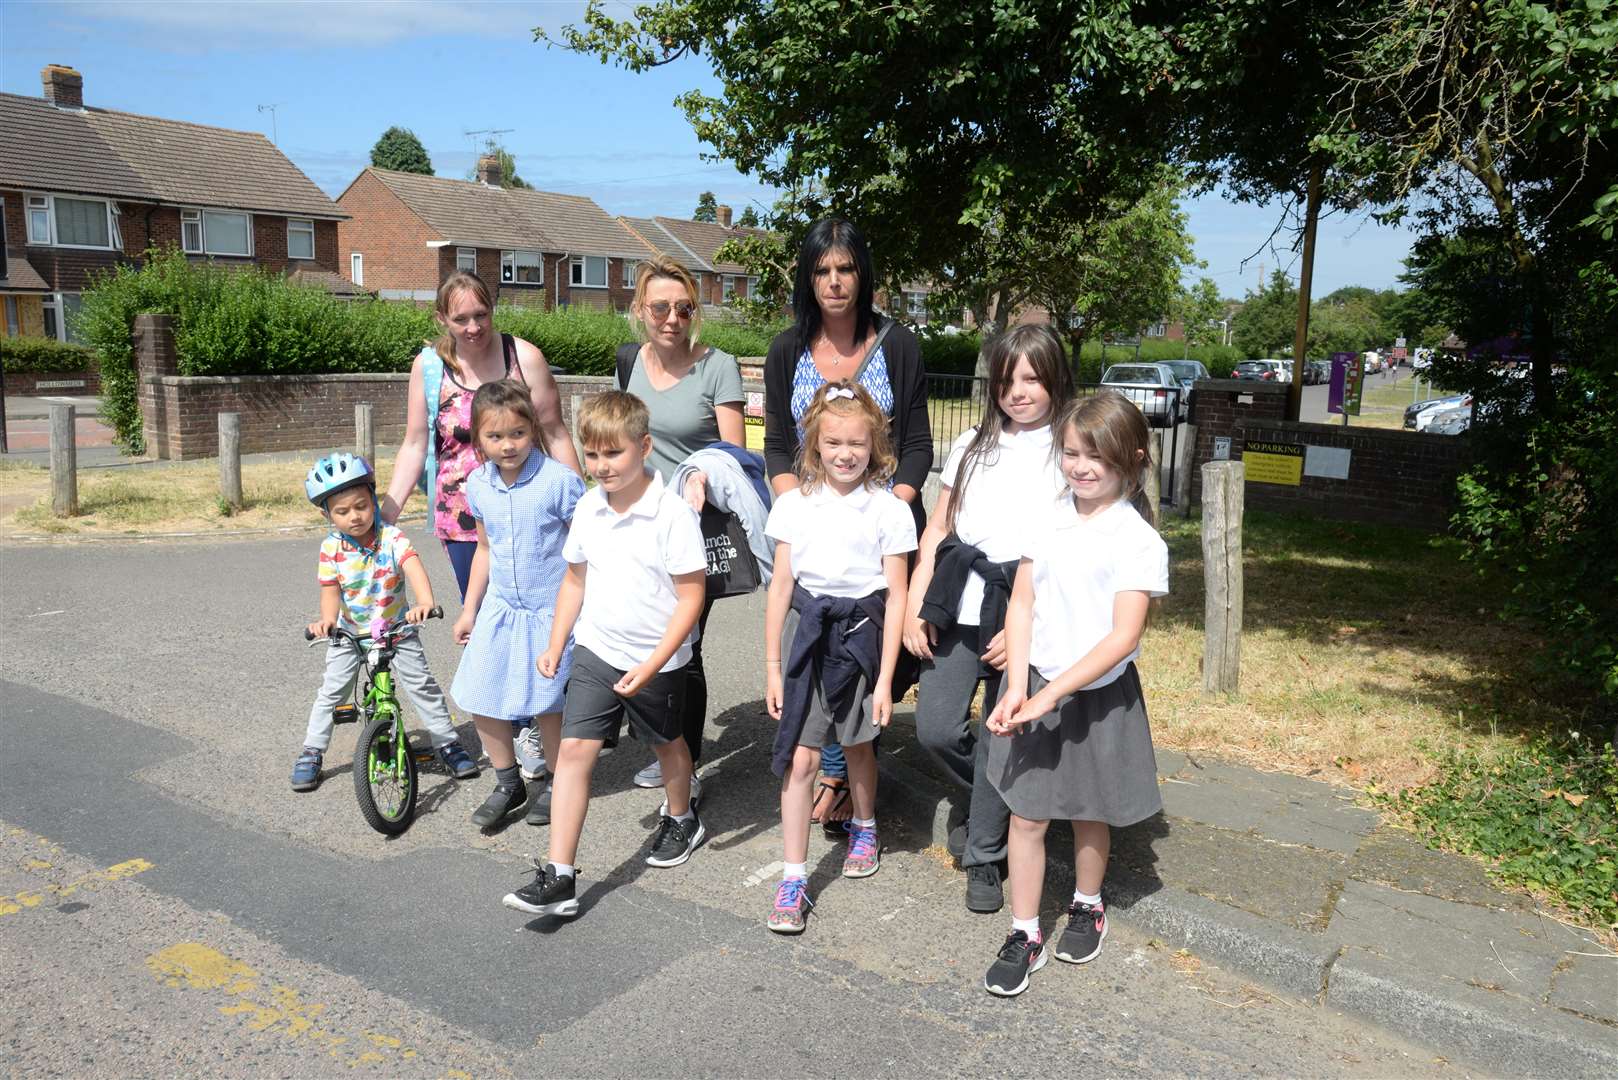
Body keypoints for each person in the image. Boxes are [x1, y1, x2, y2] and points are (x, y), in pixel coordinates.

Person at [979, 392, 1169, 997]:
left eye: (1097, 456)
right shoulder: (1049, 516)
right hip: (1035, 685)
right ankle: (1024, 931)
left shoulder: (1137, 539)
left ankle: (1088, 905)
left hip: (1095, 695)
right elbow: (1023, 603)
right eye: (1070, 453)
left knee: (1090, 810)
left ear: (1132, 458)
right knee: (1027, 814)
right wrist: (1015, 689)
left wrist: (1051, 694)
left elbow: (1124, 636)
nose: (1081, 467)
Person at [501, 391, 708, 920]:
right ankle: (560, 877)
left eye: (612, 454)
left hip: (657, 659)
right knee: (573, 752)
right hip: (597, 649)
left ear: (644, 447)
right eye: (591, 456)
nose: (601, 467)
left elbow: (691, 597)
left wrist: (656, 661)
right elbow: (574, 580)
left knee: (667, 748)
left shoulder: (673, 514)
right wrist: (556, 643)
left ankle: (682, 816)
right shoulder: (589, 507)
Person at [762, 218, 932, 829]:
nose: (834, 282)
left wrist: (882, 508)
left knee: (874, 655)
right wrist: (802, 505)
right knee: (819, 647)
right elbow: (778, 446)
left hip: (880, 533)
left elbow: (917, 444)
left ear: (863, 274)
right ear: (808, 279)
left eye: (845, 269)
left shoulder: (898, 344)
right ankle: (832, 767)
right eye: (822, 271)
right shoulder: (787, 349)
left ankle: (843, 765)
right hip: (813, 529)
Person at [380, 271, 581, 786]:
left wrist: (585, 512)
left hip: (534, 514)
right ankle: (513, 737)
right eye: (461, 318)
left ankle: (538, 723)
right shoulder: (429, 368)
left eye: (481, 315)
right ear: (442, 319)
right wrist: (387, 512)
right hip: (466, 519)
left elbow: (555, 432)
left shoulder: (524, 356)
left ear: (493, 310)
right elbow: (414, 444)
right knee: (490, 630)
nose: (473, 327)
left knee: (539, 621)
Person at [904, 325, 1073, 916]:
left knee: (1004, 735)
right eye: (1006, 379)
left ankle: (982, 855)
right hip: (960, 602)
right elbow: (939, 527)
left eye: (1031, 378)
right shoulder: (973, 443)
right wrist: (916, 601)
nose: (1018, 391)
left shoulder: (1068, 446)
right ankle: (994, 802)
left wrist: (1027, 628)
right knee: (936, 728)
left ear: (1055, 378)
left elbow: (1070, 550)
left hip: (1023, 608)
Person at [762, 382, 916, 933]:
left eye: (857, 443)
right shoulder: (792, 506)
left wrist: (885, 682)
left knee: (856, 746)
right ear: (815, 445)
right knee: (801, 760)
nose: (845, 453)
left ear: (874, 445)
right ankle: (794, 877)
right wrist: (773, 667)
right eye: (834, 443)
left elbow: (896, 596)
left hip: (860, 639)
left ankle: (866, 824)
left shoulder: (890, 510)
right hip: (806, 638)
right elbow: (780, 588)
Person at [615, 255, 746, 797]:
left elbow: (736, 455)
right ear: (641, 309)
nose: (673, 317)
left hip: (693, 527)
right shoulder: (628, 362)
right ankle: (664, 744)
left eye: (684, 308)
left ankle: (683, 763)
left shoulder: (719, 366)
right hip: (635, 522)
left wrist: (701, 474)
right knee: (638, 636)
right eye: (661, 307)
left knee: (683, 643)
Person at [294, 453, 477, 792]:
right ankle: (312, 751)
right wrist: (328, 621)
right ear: (327, 514)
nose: (354, 517)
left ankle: (447, 743)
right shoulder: (330, 548)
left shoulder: (392, 538)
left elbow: (412, 567)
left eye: (361, 506)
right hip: (351, 630)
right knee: (333, 691)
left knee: (421, 685)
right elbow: (330, 591)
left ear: (373, 500)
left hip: (397, 628)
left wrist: (424, 602)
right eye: (342, 511)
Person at [449, 381, 585, 830]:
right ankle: (509, 781)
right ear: (477, 437)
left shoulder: (560, 481)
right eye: (494, 436)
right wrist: (470, 608)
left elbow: (585, 548)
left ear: (532, 429)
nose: (507, 445)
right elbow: (484, 550)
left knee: (546, 702)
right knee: (477, 691)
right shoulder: (478, 484)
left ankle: (557, 782)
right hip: (500, 607)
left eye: (517, 434)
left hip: (549, 611)